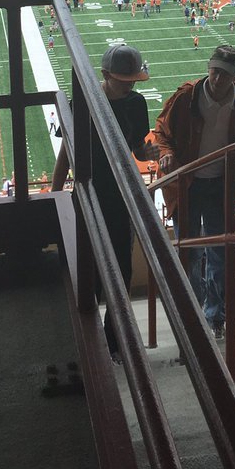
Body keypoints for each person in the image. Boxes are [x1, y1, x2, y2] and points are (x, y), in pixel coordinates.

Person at [52, 44, 158, 361]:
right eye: (124, 79)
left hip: (120, 195)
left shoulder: (137, 104)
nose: (130, 85)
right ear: (105, 75)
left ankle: (115, 342)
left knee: (122, 272)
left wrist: (146, 154)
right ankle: (90, 342)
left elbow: (136, 147)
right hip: (87, 192)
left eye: (133, 80)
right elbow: (66, 153)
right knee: (89, 272)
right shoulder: (82, 102)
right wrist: (55, 194)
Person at [154, 45, 235, 339]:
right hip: (186, 185)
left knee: (221, 253)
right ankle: (192, 316)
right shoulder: (186, 97)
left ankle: (215, 315)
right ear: (208, 67)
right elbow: (161, 132)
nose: (218, 80)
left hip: (222, 186)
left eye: (226, 75)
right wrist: (166, 154)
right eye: (215, 71)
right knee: (188, 255)